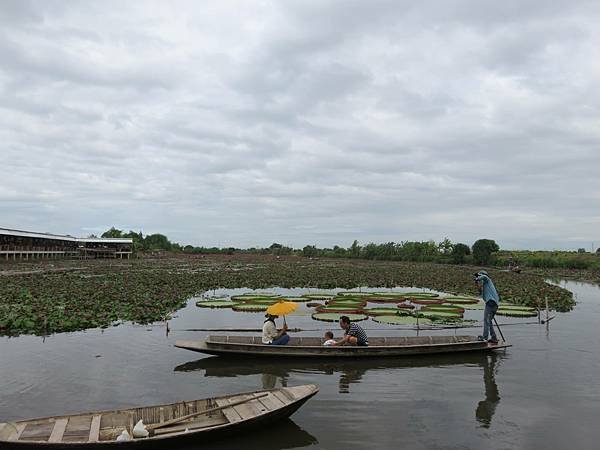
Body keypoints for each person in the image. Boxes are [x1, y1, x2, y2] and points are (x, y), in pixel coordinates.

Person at [475, 270, 500, 344]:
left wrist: (477, 278)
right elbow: (480, 291)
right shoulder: (485, 286)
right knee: (489, 321)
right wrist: (476, 283)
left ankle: (484, 338)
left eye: (480, 276)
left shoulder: (488, 280)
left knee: (486, 320)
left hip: (491, 303)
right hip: (494, 304)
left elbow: (484, 277)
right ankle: (494, 338)